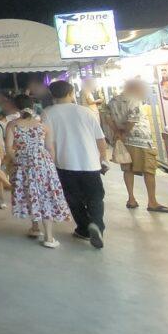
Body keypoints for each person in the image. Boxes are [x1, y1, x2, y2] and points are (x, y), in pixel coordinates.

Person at [41, 81, 108, 248]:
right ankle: (97, 225)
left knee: (73, 197)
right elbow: (100, 139)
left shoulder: (47, 113)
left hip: (64, 162)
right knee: (95, 197)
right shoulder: (86, 112)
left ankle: (84, 227)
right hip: (90, 162)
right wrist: (103, 158)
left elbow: (48, 142)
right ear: (71, 93)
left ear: (52, 95)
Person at [3, 94, 71, 247]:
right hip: (43, 163)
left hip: (23, 164)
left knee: (30, 193)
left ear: (16, 107)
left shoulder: (12, 125)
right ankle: (48, 237)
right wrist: (49, 165)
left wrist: (18, 160)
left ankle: (35, 227)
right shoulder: (43, 126)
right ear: (33, 106)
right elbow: (50, 148)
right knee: (45, 196)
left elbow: (8, 148)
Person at [108, 80, 168, 214]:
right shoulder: (134, 100)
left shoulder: (113, 101)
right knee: (149, 170)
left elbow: (107, 118)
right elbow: (132, 120)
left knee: (128, 170)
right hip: (141, 140)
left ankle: (131, 199)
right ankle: (152, 201)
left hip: (124, 142)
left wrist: (118, 133)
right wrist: (125, 132)